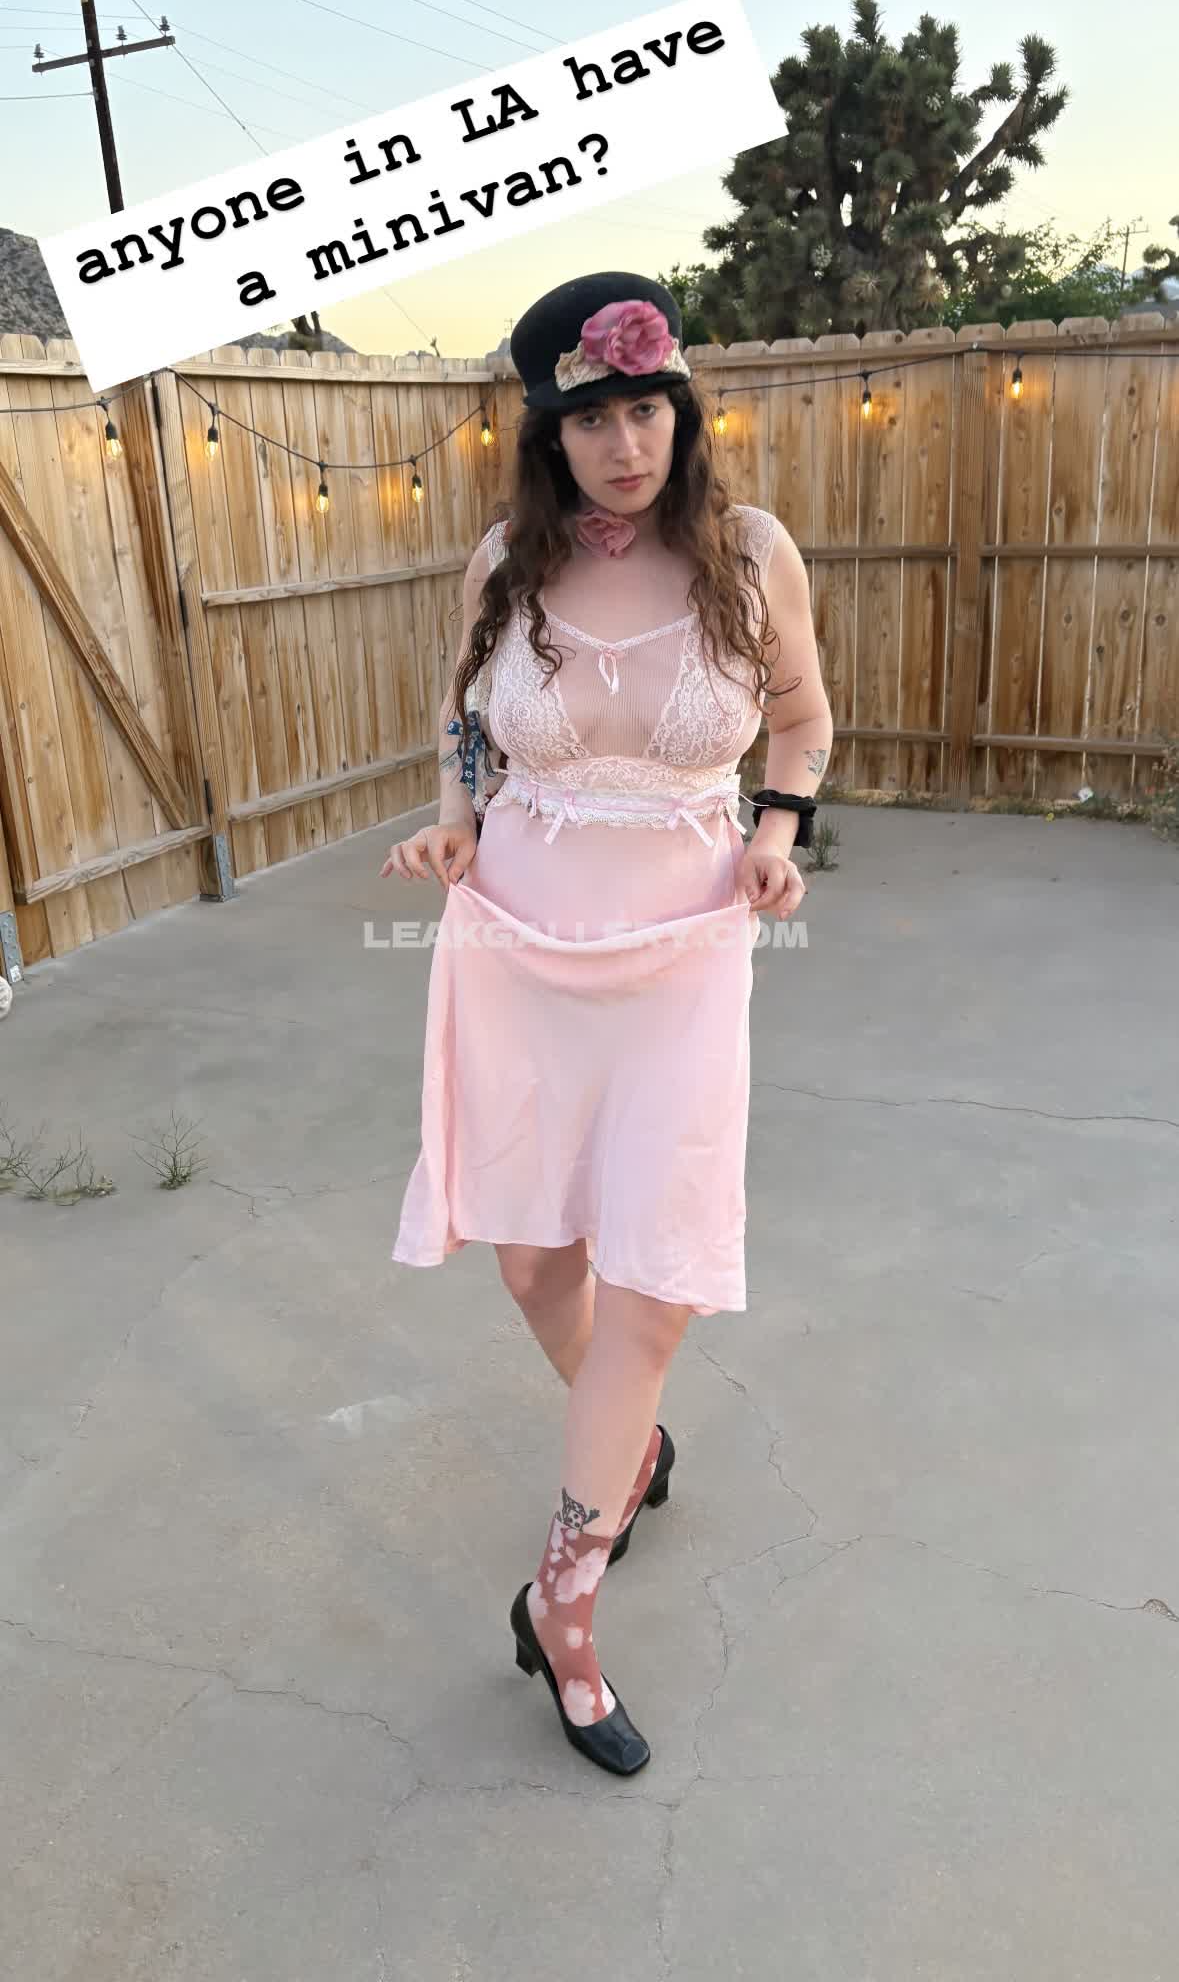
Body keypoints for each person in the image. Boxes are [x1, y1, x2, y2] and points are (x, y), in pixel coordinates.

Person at [382, 270, 833, 1776]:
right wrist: (456, 819)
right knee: (536, 1262)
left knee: (652, 1277)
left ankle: (561, 1605)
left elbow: (801, 719)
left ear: (681, 412)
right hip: (516, 941)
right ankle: (629, 1447)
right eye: (593, 419)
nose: (626, 444)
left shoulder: (751, 552)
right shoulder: (504, 560)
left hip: (684, 954)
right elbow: (465, 721)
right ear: (549, 433)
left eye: (648, 410)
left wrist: (778, 831)